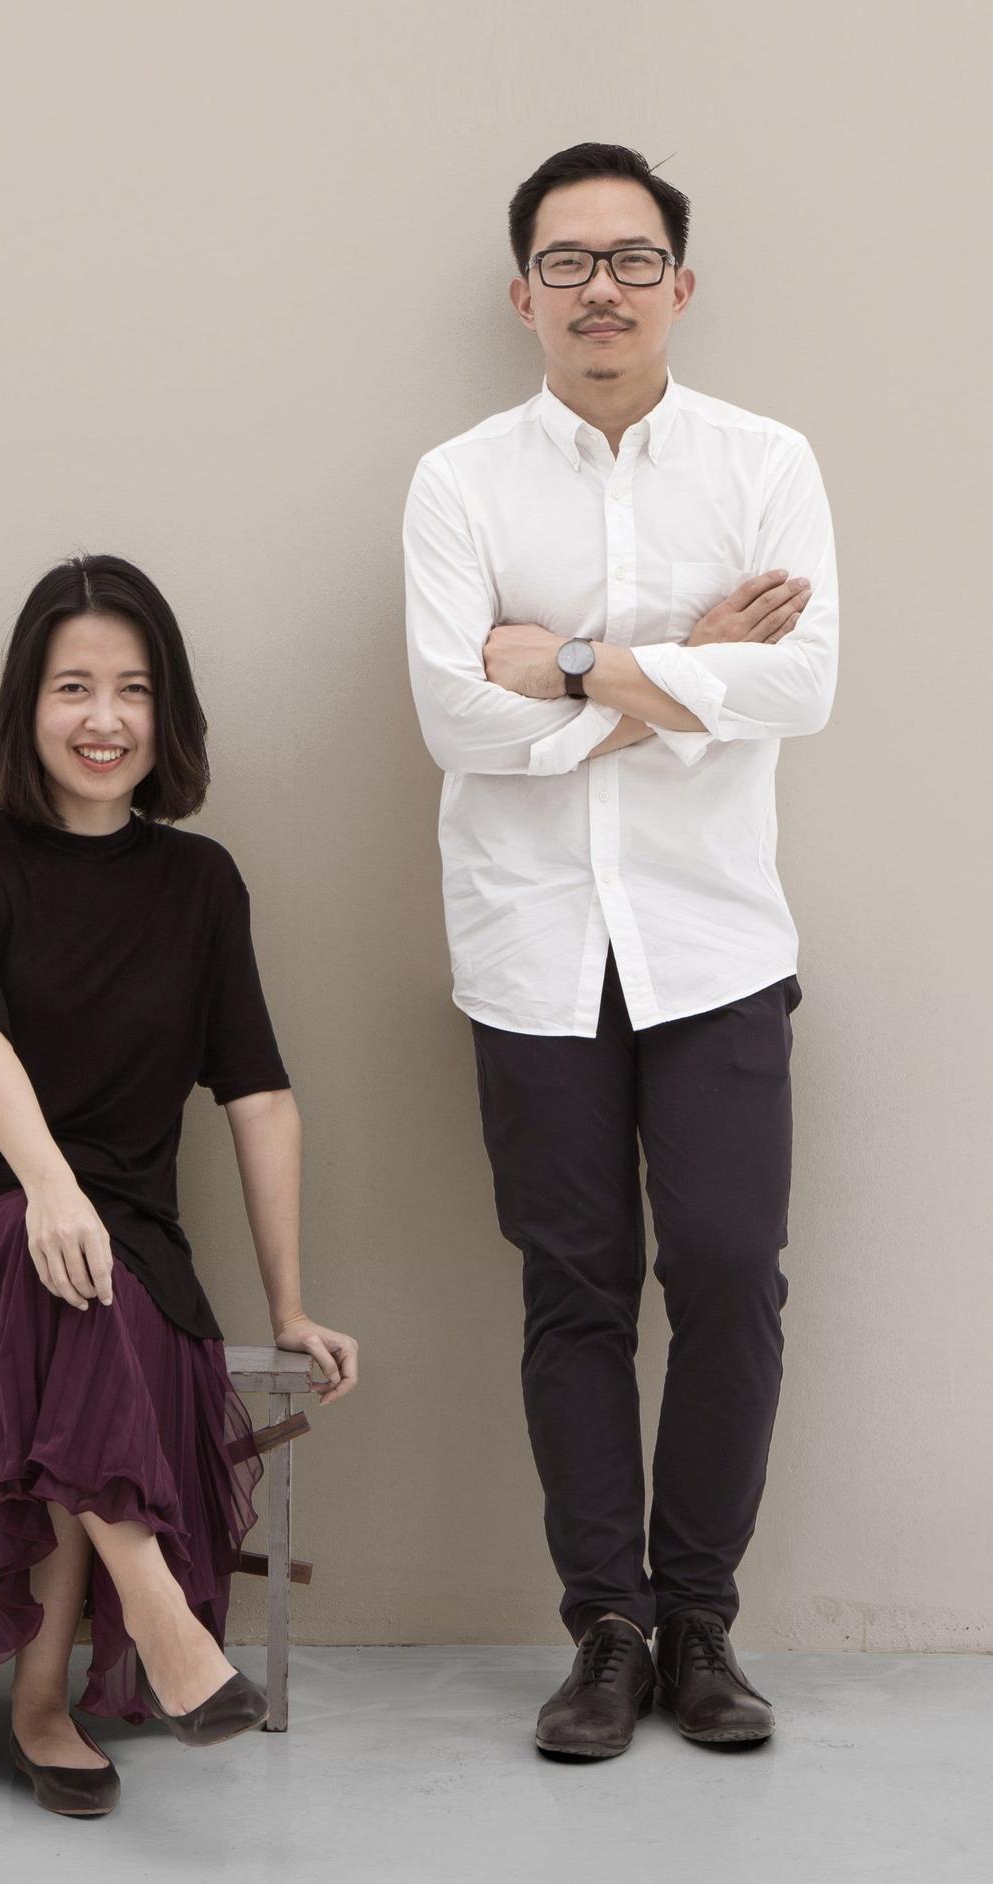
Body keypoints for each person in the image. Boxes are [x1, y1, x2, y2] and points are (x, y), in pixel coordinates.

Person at [0, 554, 359, 1816]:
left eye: (133, 690)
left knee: (79, 1285)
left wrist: (290, 1305)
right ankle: (153, 1626)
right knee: (53, 1266)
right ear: (24, 705)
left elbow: (257, 1094)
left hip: (106, 1244)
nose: (104, 719)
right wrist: (47, 1189)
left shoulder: (200, 884)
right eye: (73, 687)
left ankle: (49, 1698)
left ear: (167, 710)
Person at [403, 143, 837, 1759]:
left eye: (633, 258)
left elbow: (799, 688)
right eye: (571, 262)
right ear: (523, 292)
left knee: (727, 1271)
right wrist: (680, 672)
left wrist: (575, 663)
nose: (604, 287)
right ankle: (608, 1626)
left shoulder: (767, 463)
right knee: (574, 1290)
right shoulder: (459, 483)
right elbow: (458, 719)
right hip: (530, 948)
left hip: (714, 941)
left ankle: (701, 1622)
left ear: (681, 285)